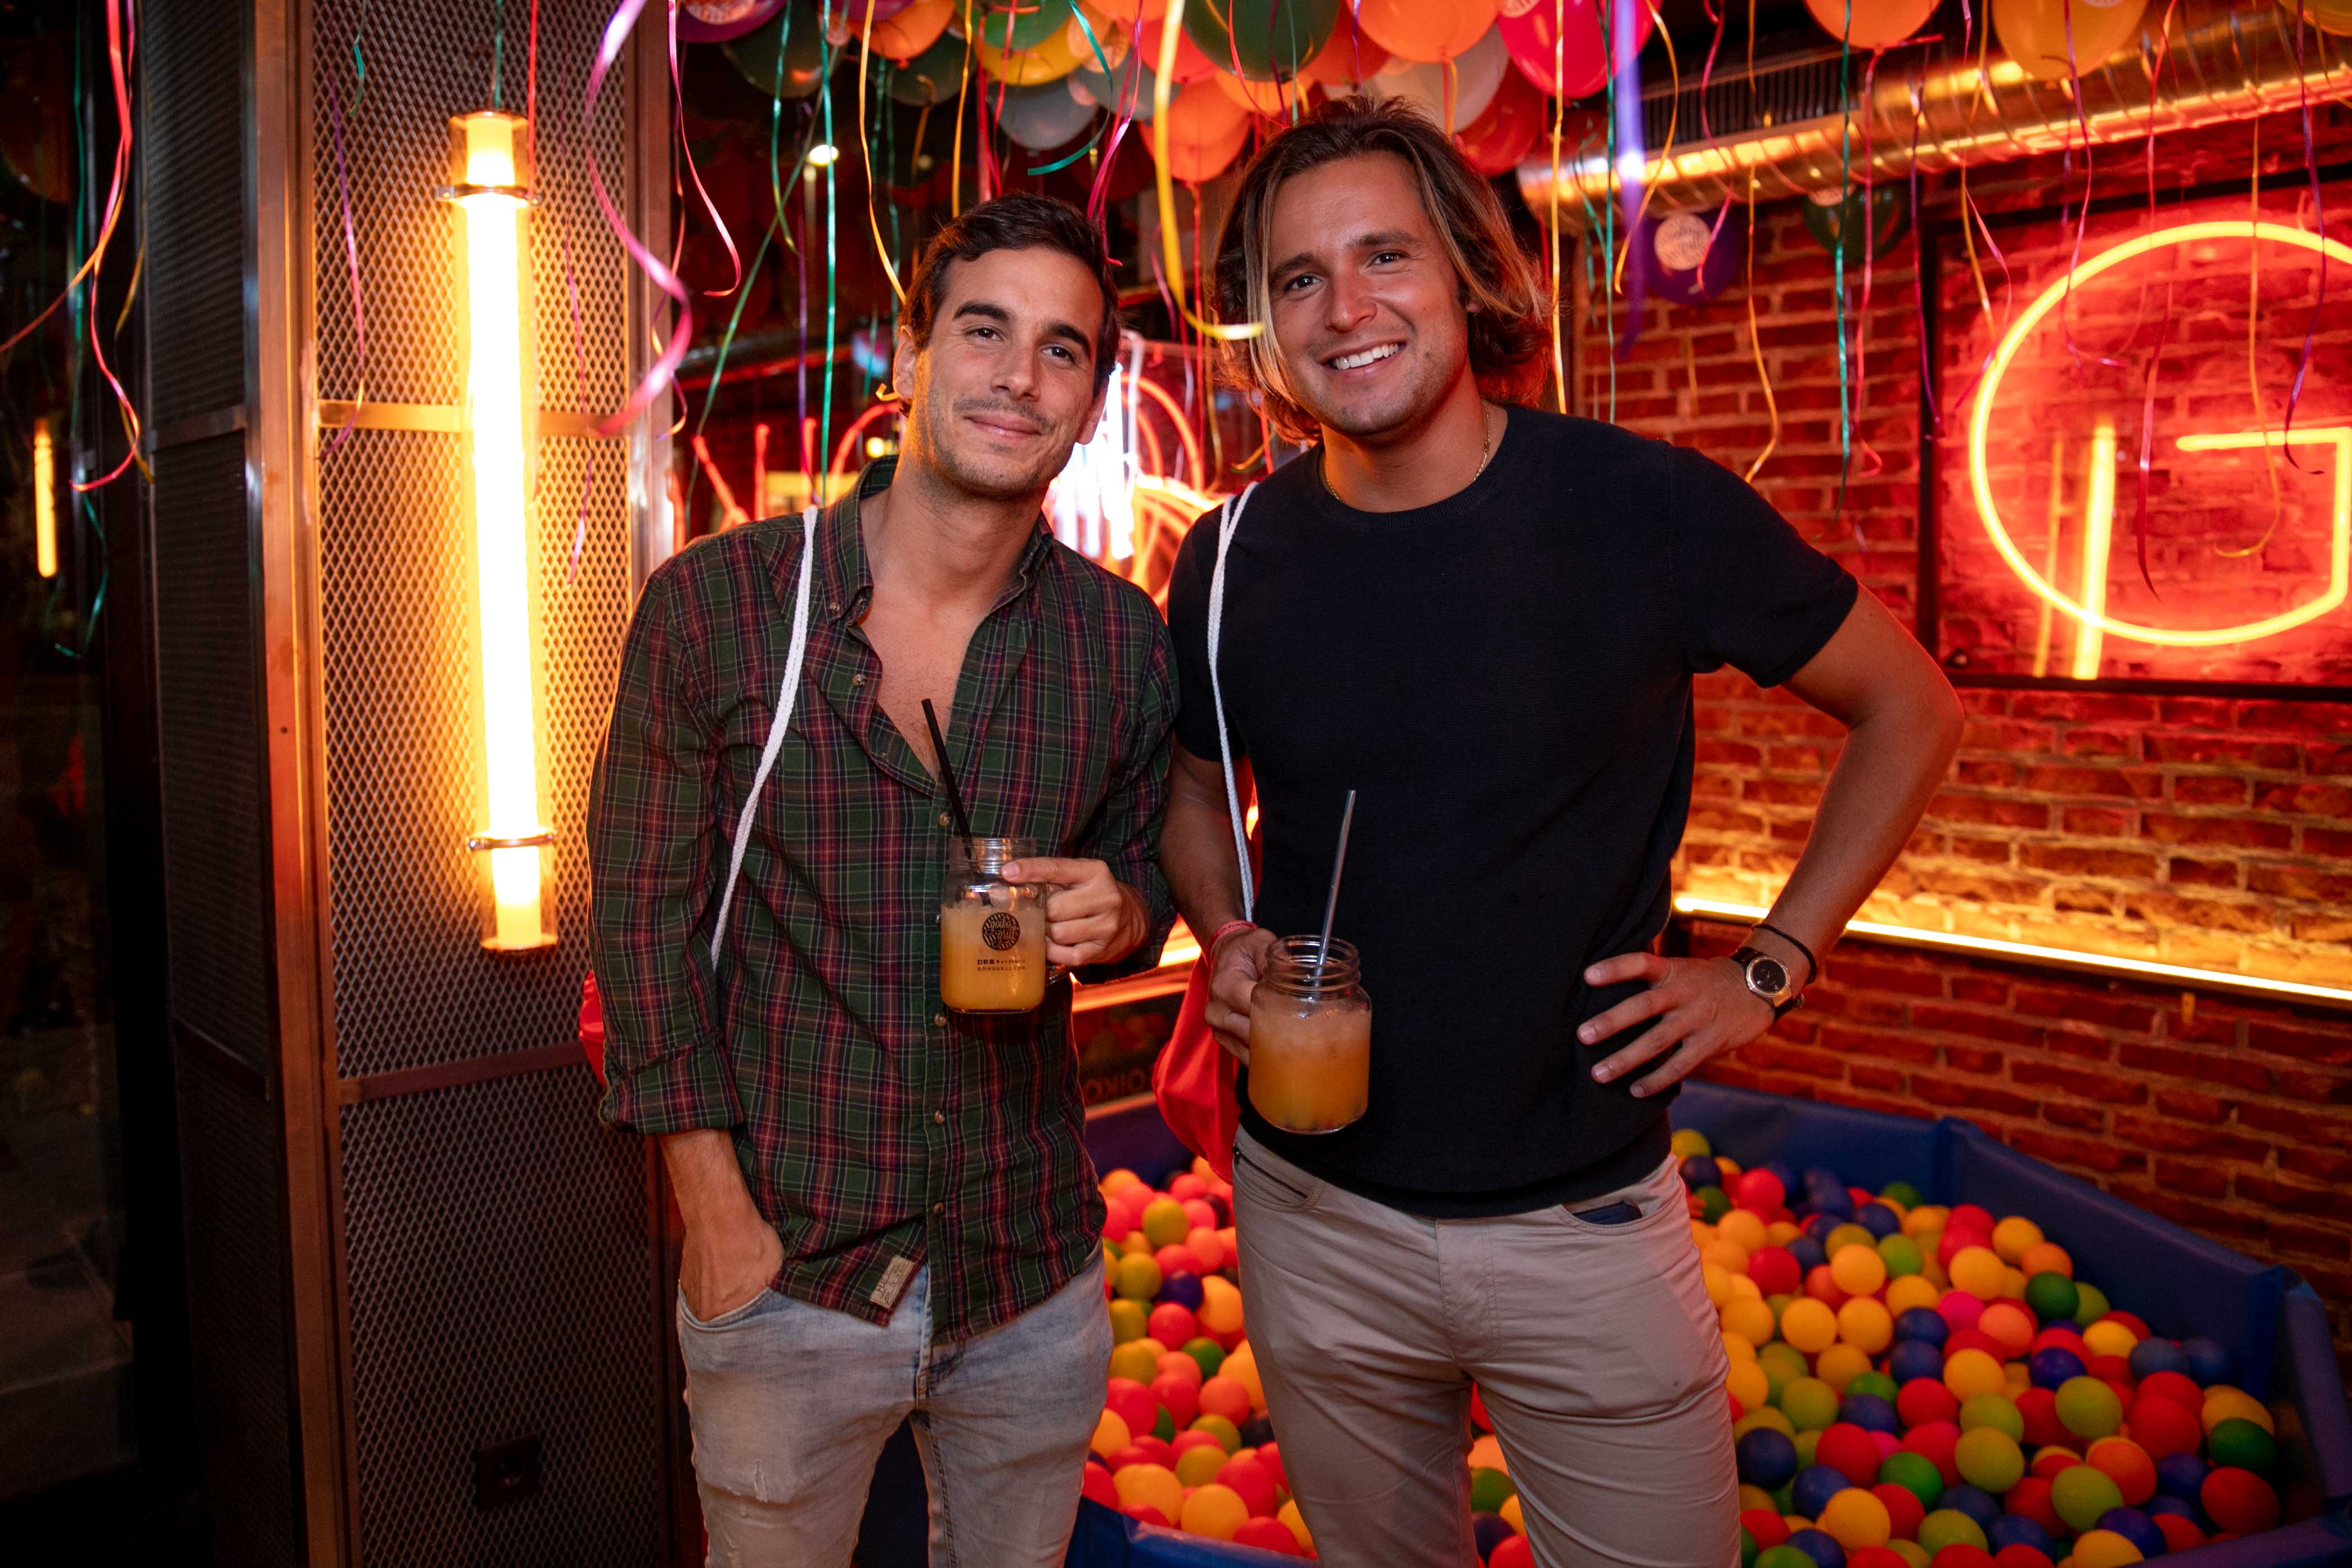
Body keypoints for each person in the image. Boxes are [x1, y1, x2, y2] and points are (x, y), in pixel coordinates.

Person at [1158, 99, 1963, 1568]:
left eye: (1384, 254)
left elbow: (1907, 705)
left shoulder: (1641, 508)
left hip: (1578, 1224)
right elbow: (1196, 788)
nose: (1344, 307)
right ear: (1264, 323)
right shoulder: (1226, 557)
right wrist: (1222, 928)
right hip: (1306, 1214)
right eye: (1297, 278)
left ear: (1466, 270)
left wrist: (1769, 966)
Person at [589, 194, 1177, 1567]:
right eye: (983, 330)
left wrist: (1125, 910)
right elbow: (638, 925)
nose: (1017, 375)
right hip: (791, 1265)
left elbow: (1143, 872)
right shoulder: (719, 605)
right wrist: (715, 1216)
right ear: (910, 355)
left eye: (1061, 350)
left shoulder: (1118, 641)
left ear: (1090, 403)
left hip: (1027, 1268)